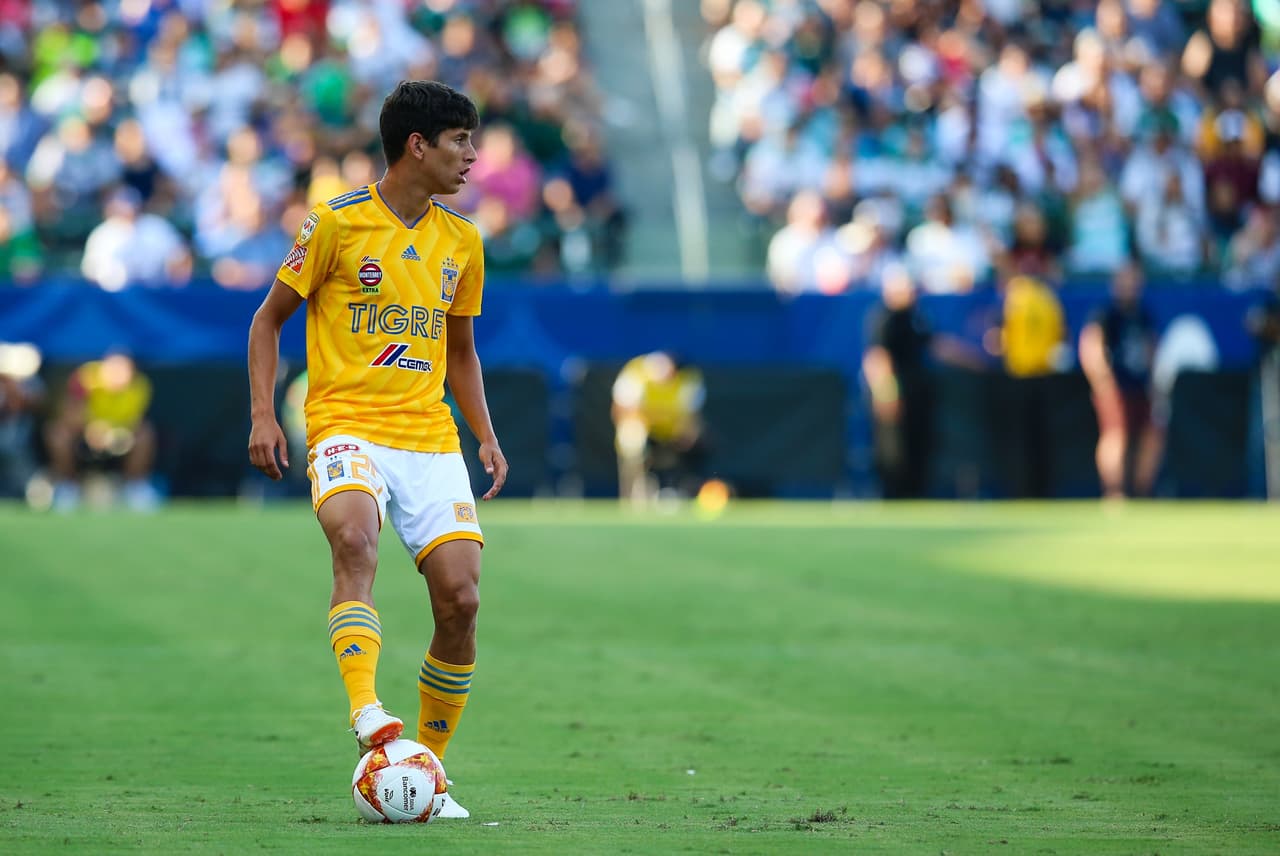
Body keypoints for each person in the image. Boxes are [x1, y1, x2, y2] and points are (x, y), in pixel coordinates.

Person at [246, 80, 508, 820]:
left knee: (461, 599)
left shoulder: (463, 240)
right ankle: (366, 709)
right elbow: (266, 321)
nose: (472, 155)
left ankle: (429, 770)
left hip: (427, 435)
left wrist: (485, 433)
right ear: (417, 145)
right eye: (460, 140)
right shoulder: (335, 222)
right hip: (345, 423)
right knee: (355, 541)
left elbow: (461, 351)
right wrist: (264, 415)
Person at [1078, 262, 1161, 499]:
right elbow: (1091, 345)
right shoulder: (1106, 313)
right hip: (1116, 384)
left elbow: (1151, 347)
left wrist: (1153, 380)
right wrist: (1102, 380)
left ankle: (1142, 490)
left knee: (1150, 435)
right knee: (1116, 435)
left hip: (1140, 384)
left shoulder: (1142, 314)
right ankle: (1114, 490)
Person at [42, 350, 159, 511]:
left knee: (145, 433)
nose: (119, 375)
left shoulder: (140, 385)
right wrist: (91, 429)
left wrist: (112, 434)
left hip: (119, 437)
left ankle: (135, 487)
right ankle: (68, 487)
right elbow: (69, 415)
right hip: (82, 435)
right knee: (57, 434)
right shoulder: (85, 378)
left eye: (125, 371)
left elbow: (135, 420)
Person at [610, 350, 707, 505]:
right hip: (644, 428)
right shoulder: (636, 374)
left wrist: (687, 432)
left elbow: (692, 417)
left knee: (697, 439)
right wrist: (651, 420)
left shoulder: (688, 378)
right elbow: (621, 411)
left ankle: (681, 489)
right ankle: (636, 494)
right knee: (633, 438)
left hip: (670, 431)